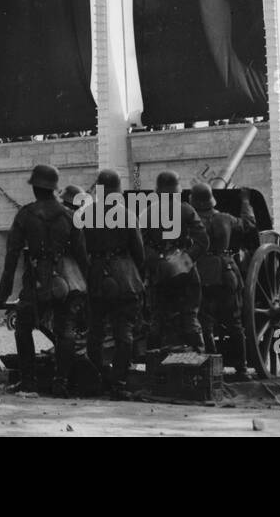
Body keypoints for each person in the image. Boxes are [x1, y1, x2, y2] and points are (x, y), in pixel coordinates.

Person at [0, 165, 88, 395]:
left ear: (35, 188)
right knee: (65, 328)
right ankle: (61, 382)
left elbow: (12, 256)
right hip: (64, 281)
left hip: (36, 279)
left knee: (23, 328)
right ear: (54, 188)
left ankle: (28, 382)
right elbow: (82, 256)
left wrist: (3, 292)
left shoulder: (25, 215)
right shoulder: (70, 217)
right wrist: (90, 286)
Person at [84, 169, 145, 400]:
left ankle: (97, 378)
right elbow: (138, 252)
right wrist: (137, 276)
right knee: (124, 332)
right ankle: (119, 381)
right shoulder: (128, 215)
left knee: (95, 332)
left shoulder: (87, 215)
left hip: (98, 277)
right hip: (124, 277)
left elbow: (83, 251)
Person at [189, 183, 254, 381]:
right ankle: (241, 370)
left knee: (205, 324)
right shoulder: (225, 218)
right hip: (226, 274)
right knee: (234, 324)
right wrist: (245, 201)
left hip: (201, 275)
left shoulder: (189, 221)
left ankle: (212, 369)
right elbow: (248, 224)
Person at [144, 170, 208, 353]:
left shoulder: (147, 213)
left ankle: (155, 364)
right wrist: (184, 260)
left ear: (157, 192)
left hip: (159, 274)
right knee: (190, 316)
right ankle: (198, 360)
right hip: (186, 273)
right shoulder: (187, 210)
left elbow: (142, 245)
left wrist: (159, 262)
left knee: (158, 318)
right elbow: (203, 241)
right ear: (177, 191)